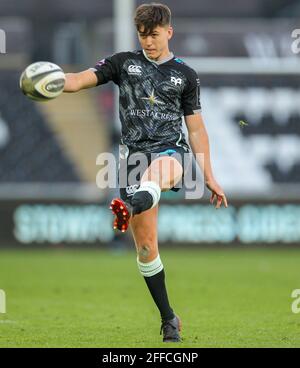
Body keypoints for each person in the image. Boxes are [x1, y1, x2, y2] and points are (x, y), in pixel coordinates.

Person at [63, 2, 228, 343]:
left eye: (154, 35)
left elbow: (196, 130)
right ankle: (169, 318)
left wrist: (209, 175)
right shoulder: (123, 63)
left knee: (157, 171)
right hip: (132, 159)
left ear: (169, 31)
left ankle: (129, 207)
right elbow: (80, 80)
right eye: (142, 35)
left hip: (171, 153)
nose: (148, 42)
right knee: (146, 250)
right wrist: (52, 82)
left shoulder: (186, 75)